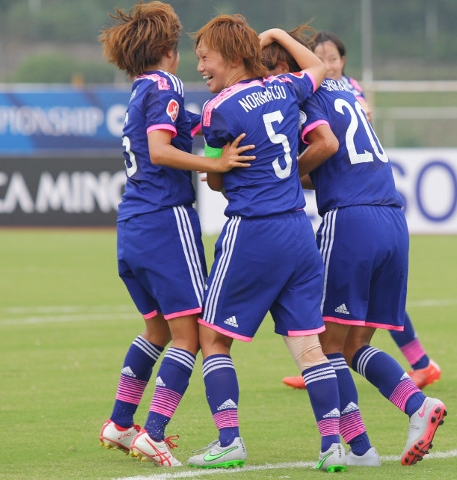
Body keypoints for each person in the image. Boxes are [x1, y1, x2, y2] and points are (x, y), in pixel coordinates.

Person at [262, 26, 447, 467]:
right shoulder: (344, 89)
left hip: (350, 221)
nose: (265, 84)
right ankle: (415, 410)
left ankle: (365, 445)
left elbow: (324, 145)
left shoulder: (305, 97)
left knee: (324, 346)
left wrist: (283, 174)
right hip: (391, 220)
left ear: (286, 68)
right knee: (353, 346)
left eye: (267, 72)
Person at [97, 2, 254, 467]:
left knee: (157, 329)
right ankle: (155, 432)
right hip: (166, 220)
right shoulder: (166, 84)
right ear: (168, 48)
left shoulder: (140, 90)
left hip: (133, 225)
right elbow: (162, 151)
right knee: (191, 334)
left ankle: (121, 422)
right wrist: (216, 164)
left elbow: (189, 127)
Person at [185, 16, 345, 472]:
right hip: (298, 231)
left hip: (253, 232)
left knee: (212, 338)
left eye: (205, 57)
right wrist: (277, 35)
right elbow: (319, 69)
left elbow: (216, 181)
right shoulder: (285, 88)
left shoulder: (219, 109)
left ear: (232, 57)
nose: (201, 67)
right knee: (308, 345)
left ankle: (228, 439)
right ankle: (332, 446)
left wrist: (217, 167)